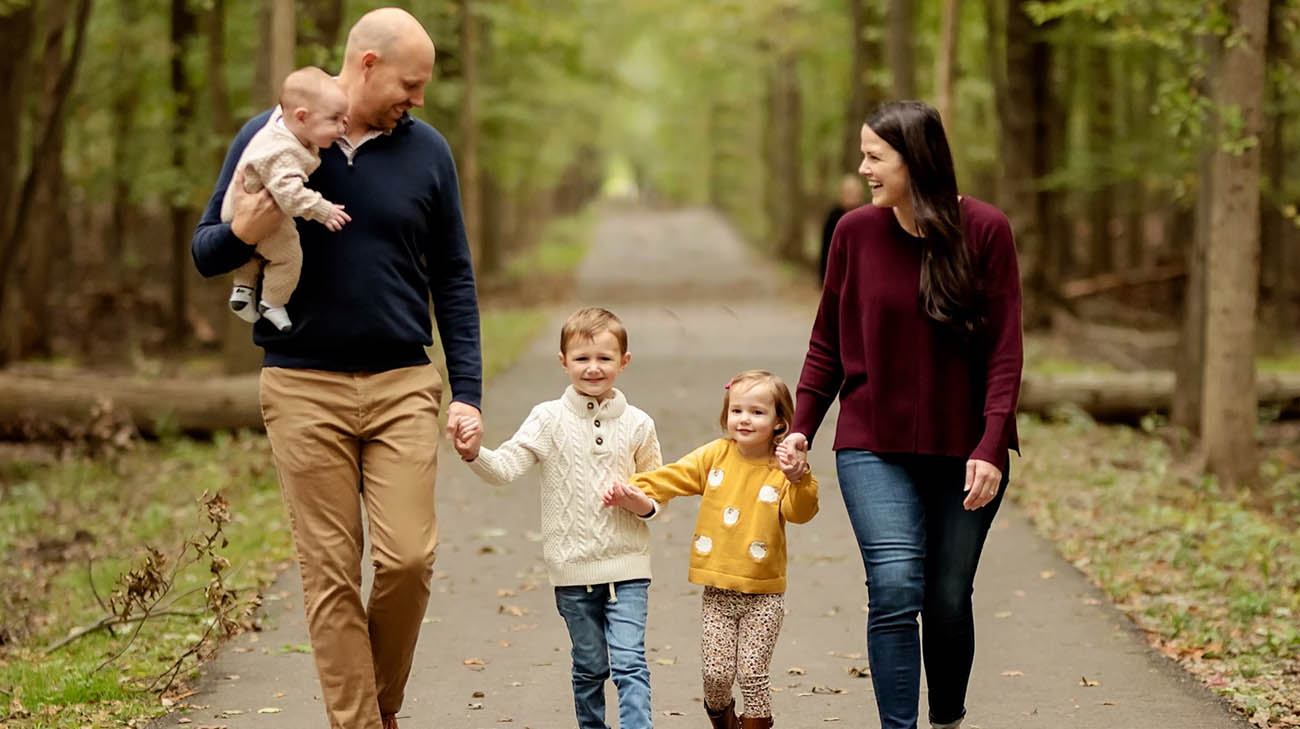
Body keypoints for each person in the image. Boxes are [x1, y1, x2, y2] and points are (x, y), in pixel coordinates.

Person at [191, 8, 483, 729]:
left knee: (408, 560)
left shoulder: (429, 152)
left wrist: (468, 388)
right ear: (368, 64)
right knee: (328, 575)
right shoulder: (271, 136)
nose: (418, 99)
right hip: (300, 384)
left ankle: (378, 706)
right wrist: (246, 231)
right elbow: (206, 251)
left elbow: (453, 273)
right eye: (410, 83)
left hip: (401, 382)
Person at [778, 100, 1023, 729]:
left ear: (914, 161)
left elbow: (1005, 352)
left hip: (965, 449)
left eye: (874, 156)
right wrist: (802, 424)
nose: (862, 168)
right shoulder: (854, 233)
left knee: (946, 600)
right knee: (892, 589)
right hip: (872, 443)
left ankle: (946, 719)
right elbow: (827, 340)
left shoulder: (986, 230)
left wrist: (992, 445)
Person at [454, 307, 663, 729]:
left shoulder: (639, 424)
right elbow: (506, 467)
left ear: (624, 361)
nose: (593, 368)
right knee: (590, 668)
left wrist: (636, 502)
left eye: (605, 358)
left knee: (629, 664)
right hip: (571, 568)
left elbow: (658, 493)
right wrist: (475, 453)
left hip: (628, 567)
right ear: (563, 361)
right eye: (582, 358)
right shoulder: (547, 419)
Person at [605, 370, 817, 729]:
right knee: (716, 678)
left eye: (757, 412)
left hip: (764, 593)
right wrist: (631, 488)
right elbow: (674, 476)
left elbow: (801, 512)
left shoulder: (784, 469)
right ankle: (724, 721)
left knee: (753, 674)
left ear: (780, 421)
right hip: (718, 591)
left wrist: (800, 479)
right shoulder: (716, 455)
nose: (744, 419)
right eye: (737, 411)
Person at [221, 66, 352, 331]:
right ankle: (272, 302)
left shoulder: (281, 126)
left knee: (259, 253)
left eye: (345, 120)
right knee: (288, 255)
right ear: (302, 117)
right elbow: (290, 195)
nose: (342, 128)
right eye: (335, 120)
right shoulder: (283, 150)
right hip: (254, 210)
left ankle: (243, 290)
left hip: (236, 208)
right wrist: (322, 210)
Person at [819, 175, 865, 282]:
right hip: (839, 275)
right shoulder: (833, 217)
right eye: (848, 192)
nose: (851, 196)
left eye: (854, 192)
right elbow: (826, 249)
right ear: (842, 194)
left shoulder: (867, 215)